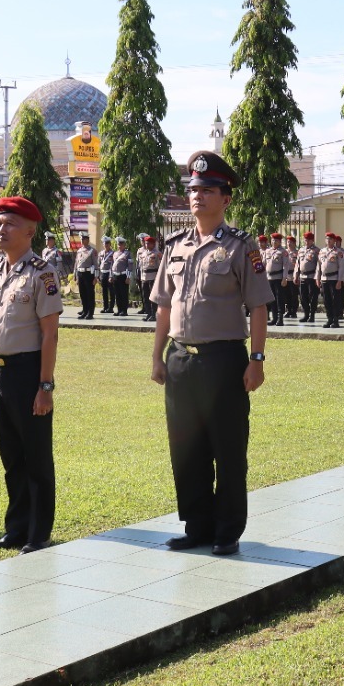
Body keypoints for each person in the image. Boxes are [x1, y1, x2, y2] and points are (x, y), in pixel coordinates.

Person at [150, 151, 272, 556]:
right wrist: (157, 356)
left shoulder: (240, 247)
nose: (197, 196)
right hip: (180, 358)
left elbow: (258, 306)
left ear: (226, 198)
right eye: (193, 190)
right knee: (186, 448)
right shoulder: (176, 246)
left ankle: (227, 530)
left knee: (228, 447)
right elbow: (163, 306)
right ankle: (197, 526)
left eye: (207, 190)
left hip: (223, 360)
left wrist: (257, 360)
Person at [0, 196, 62, 553]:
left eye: (10, 223)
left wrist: (45, 386)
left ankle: (38, 533)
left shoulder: (42, 273)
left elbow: (50, 334)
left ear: (29, 231)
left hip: (28, 373)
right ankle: (16, 528)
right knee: (11, 458)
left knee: (36, 458)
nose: (2, 229)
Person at [319, 232, 344, 329]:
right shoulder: (322, 251)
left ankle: (335, 320)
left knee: (335, 300)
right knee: (326, 300)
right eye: (327, 239)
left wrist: (340, 280)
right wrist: (317, 278)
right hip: (324, 278)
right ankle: (329, 319)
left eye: (330, 239)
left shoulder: (338, 252)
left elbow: (341, 267)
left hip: (334, 278)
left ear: (334, 241)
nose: (328, 241)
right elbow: (318, 266)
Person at [263, 232, 288, 326]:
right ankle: (274, 318)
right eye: (273, 240)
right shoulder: (267, 251)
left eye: (276, 240)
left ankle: (280, 318)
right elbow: (263, 264)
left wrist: (284, 278)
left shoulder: (283, 252)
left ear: (280, 241)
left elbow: (285, 266)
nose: (274, 242)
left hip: (278, 278)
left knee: (279, 298)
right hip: (269, 278)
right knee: (272, 299)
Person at [296, 230, 321, 324]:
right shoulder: (301, 250)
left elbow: (319, 265)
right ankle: (306, 314)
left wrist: (317, 277)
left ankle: (312, 315)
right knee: (303, 297)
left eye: (309, 240)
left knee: (312, 297)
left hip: (312, 276)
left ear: (312, 240)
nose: (306, 241)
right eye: (305, 240)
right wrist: (296, 275)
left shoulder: (317, 251)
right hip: (302, 276)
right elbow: (297, 264)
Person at [73, 237, 97, 319]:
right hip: (80, 273)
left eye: (83, 239)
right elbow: (76, 263)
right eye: (81, 239)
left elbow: (96, 264)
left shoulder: (92, 250)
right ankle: (85, 310)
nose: (82, 241)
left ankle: (90, 312)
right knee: (82, 293)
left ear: (87, 240)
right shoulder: (79, 250)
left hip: (88, 274)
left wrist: (96, 277)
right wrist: (75, 275)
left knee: (89, 293)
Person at [138, 233, 160, 320]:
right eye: (146, 243)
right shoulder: (143, 253)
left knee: (153, 297)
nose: (146, 245)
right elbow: (141, 265)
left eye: (148, 243)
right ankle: (148, 313)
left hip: (153, 276)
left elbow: (161, 266)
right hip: (144, 277)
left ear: (153, 244)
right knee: (145, 296)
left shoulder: (157, 253)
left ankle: (154, 314)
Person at [110, 236, 132, 316]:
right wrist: (111, 276)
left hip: (123, 275)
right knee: (117, 294)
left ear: (124, 245)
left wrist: (128, 277)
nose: (120, 246)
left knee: (124, 293)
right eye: (118, 244)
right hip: (116, 275)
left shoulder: (127, 253)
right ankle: (119, 310)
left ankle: (124, 310)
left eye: (121, 244)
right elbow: (112, 265)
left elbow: (130, 266)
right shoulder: (115, 253)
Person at [281, 234, 300, 323]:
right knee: (286, 294)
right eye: (288, 242)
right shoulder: (284, 252)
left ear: (294, 243)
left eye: (291, 242)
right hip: (286, 276)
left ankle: (294, 311)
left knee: (294, 295)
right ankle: (288, 310)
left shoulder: (297, 253)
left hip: (293, 275)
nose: (289, 244)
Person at [97, 237, 116, 314]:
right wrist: (98, 275)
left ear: (110, 244)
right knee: (104, 291)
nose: (106, 245)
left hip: (109, 273)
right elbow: (98, 264)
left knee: (111, 291)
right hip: (102, 273)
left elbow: (113, 265)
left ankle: (111, 307)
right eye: (104, 244)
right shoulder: (101, 253)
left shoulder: (113, 253)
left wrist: (111, 275)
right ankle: (105, 307)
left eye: (107, 243)